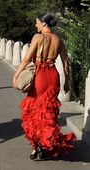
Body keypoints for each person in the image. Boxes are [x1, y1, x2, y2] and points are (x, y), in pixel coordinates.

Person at [12, 13, 76, 160]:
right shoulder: (58, 40)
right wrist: (67, 82)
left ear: (44, 24)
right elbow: (66, 64)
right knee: (48, 112)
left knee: (35, 112)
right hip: (53, 76)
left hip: (40, 75)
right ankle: (46, 146)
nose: (36, 25)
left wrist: (16, 75)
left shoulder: (38, 37)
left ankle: (37, 148)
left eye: (37, 23)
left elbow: (27, 58)